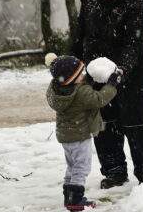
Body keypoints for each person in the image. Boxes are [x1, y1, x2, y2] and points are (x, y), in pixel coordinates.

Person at [70, 0, 143, 188]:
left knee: (135, 120)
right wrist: (74, 62)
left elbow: (135, 41)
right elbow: (82, 29)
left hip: (132, 68)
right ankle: (114, 170)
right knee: (103, 120)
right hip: (96, 65)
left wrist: (122, 68)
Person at [45, 53, 122, 211]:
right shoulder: (81, 93)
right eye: (81, 74)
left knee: (72, 166)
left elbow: (78, 84)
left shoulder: (58, 89)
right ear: (72, 79)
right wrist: (112, 85)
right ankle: (75, 199)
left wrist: (84, 79)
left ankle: (69, 195)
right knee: (82, 167)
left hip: (66, 136)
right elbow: (99, 99)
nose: (84, 75)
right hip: (79, 135)